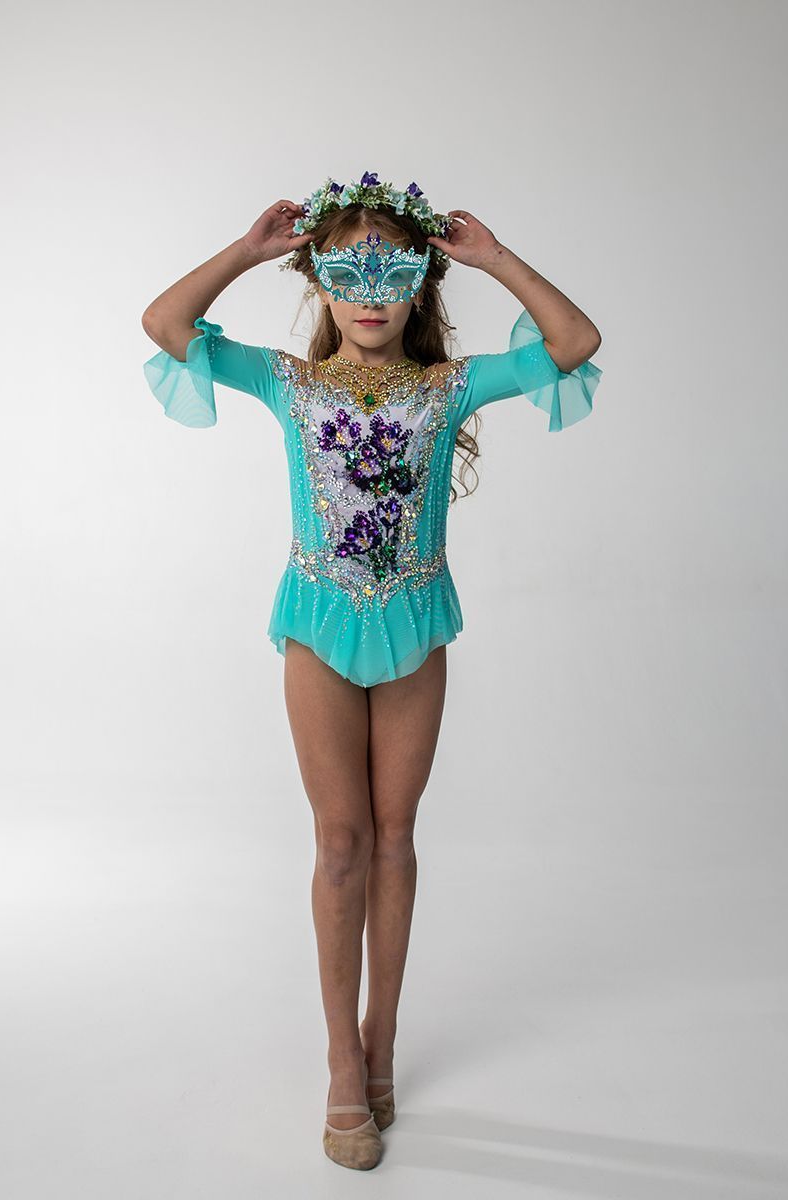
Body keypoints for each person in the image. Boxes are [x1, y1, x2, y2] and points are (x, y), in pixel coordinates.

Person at [140, 172, 603, 1170]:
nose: (369, 295)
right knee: (341, 842)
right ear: (318, 282)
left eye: (392, 274)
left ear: (421, 283)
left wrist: (495, 259)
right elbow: (165, 325)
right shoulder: (289, 383)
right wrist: (246, 252)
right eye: (347, 274)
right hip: (319, 627)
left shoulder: (451, 387)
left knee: (395, 838)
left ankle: (382, 1038)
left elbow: (574, 344)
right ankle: (341, 1062)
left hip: (414, 632)